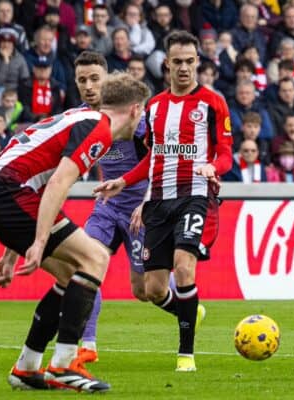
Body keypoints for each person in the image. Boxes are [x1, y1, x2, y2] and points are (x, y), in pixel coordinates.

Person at [0, 72, 149, 392]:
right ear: (135, 110)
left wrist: (11, 251)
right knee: (95, 257)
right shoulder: (99, 129)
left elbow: (38, 172)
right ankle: (63, 365)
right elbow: (57, 183)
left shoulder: (79, 117)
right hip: (6, 193)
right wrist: (38, 242)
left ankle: (26, 368)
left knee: (71, 275)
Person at [93, 30, 233, 373]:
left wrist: (212, 167)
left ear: (198, 62)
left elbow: (226, 154)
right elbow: (153, 157)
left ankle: (186, 354)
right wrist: (123, 181)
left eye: (190, 61)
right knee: (153, 290)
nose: (184, 68)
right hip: (157, 202)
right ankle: (190, 311)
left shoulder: (213, 103)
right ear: (167, 64)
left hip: (193, 196)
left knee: (184, 266)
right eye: (178, 62)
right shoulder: (154, 107)